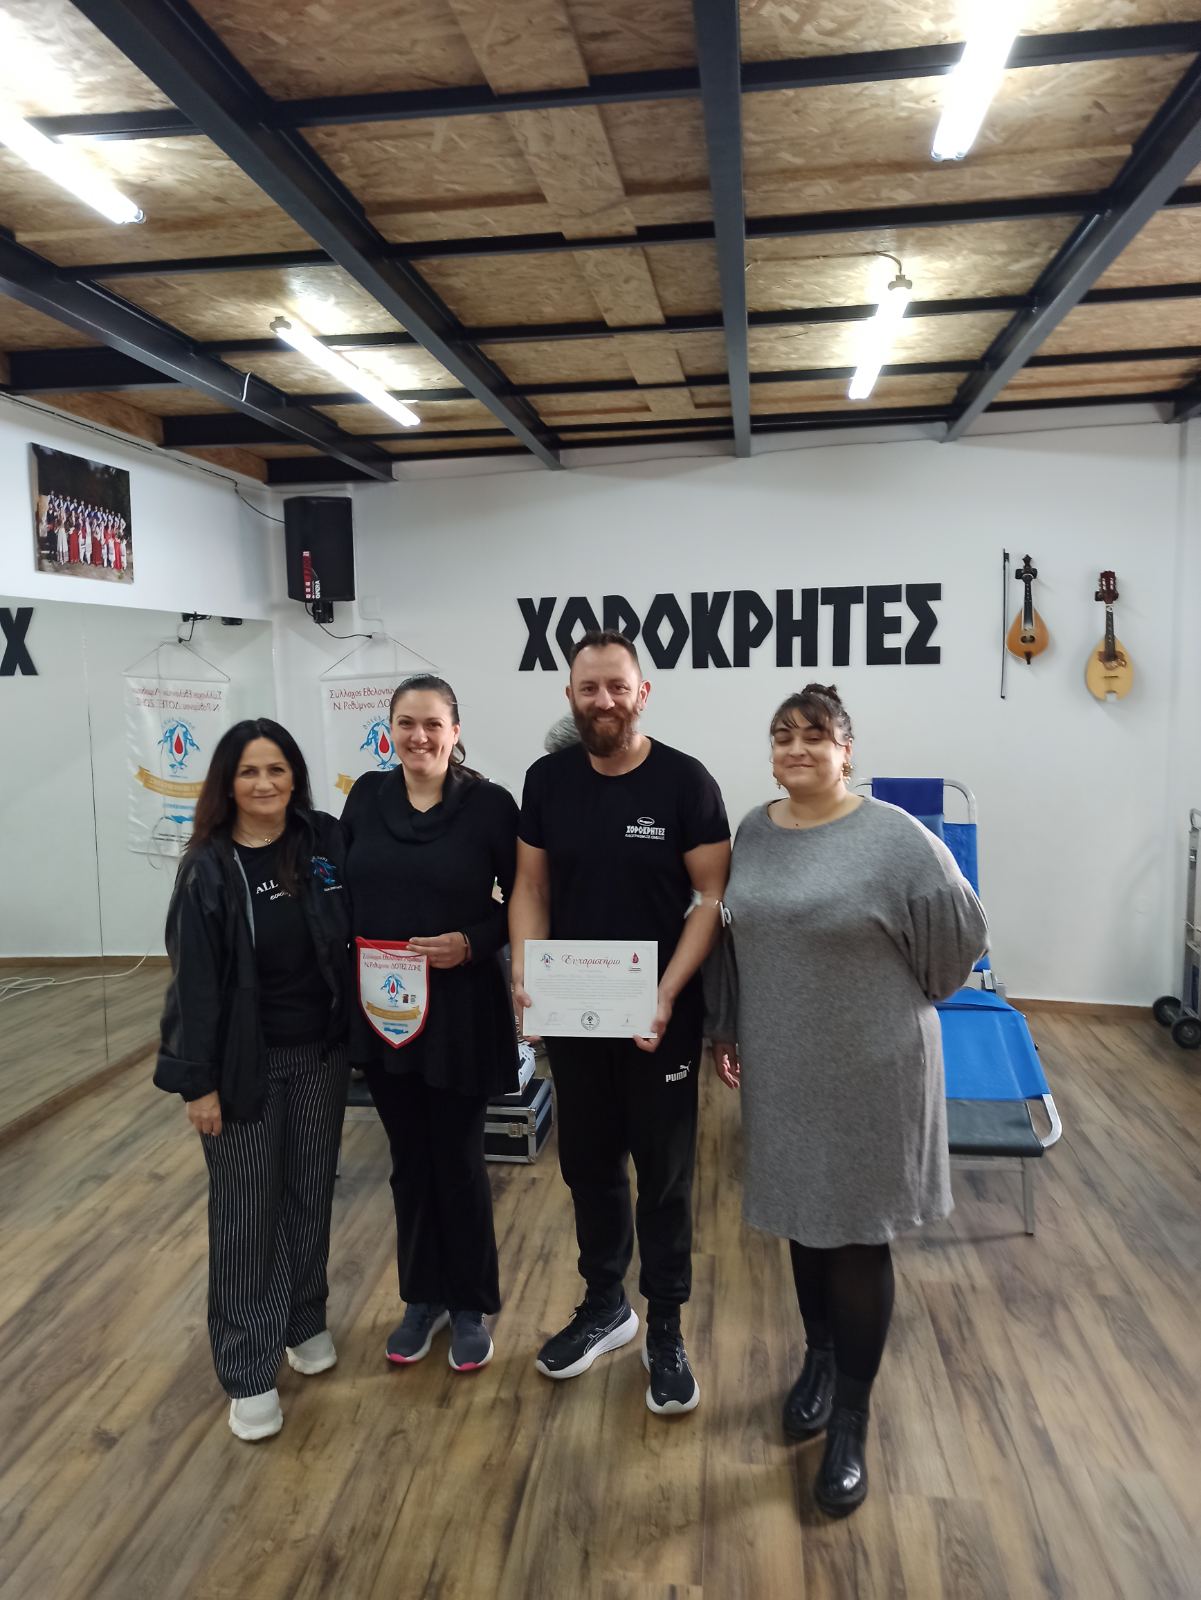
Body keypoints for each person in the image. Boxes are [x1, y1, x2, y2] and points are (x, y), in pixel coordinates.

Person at [706, 683, 987, 1516]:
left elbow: (957, 941)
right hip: (784, 1064)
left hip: (873, 1065)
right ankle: (819, 1360)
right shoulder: (754, 830)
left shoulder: (895, 838)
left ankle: (852, 1421)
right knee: (804, 1217)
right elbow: (734, 934)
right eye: (781, 735)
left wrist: (895, 1002)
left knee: (858, 1236)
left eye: (814, 734)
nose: (796, 747)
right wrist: (730, 1027)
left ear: (845, 749)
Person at [510, 629, 730, 1415]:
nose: (602, 700)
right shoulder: (546, 780)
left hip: (657, 1016)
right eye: (588, 687)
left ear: (642, 693)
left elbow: (710, 899)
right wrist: (524, 974)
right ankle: (606, 1305)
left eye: (616, 686)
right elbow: (530, 888)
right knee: (588, 1165)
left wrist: (668, 992)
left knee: (663, 1176)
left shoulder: (685, 782)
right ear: (570, 696)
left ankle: (664, 1325)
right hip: (575, 1012)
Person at [155, 718, 351, 1442]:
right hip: (244, 1063)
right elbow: (193, 987)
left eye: (276, 769)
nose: (264, 783)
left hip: (321, 1053)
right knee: (246, 1213)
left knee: (310, 1191)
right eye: (248, 772)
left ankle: (303, 1319)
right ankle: (247, 1369)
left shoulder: (323, 841)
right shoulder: (208, 868)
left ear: (295, 776)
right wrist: (197, 1084)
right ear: (227, 784)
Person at [342, 675, 519, 1374]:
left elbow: (524, 900)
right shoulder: (366, 797)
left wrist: (471, 943)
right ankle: (423, 1298)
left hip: (459, 1010)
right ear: (390, 729)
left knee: (458, 1161)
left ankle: (469, 1303)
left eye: (432, 724)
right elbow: (342, 890)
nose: (418, 737)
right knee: (408, 1161)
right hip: (383, 1010)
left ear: (455, 731)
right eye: (406, 724)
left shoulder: (490, 806)